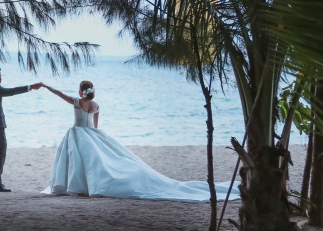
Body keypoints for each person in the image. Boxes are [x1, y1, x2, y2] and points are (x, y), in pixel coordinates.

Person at [39, 80, 240, 202]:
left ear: (81, 91)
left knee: (80, 162)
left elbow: (60, 94)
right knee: (95, 163)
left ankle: (78, 188)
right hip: (92, 134)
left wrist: (46, 86)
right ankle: (83, 188)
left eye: (80, 89)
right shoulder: (96, 104)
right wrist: (96, 138)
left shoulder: (77, 102)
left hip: (78, 133)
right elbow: (96, 126)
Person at [0, 64, 41, 192]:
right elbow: (11, 91)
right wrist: (30, 87)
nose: (0, 78)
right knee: (1, 154)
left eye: (0, 76)